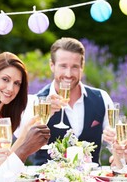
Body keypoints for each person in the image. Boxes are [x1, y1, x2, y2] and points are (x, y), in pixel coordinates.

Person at [33, 37, 114, 165]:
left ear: (82, 67)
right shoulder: (37, 101)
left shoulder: (101, 98)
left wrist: (116, 151)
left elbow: (113, 140)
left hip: (91, 181)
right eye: (63, 66)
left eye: (74, 67)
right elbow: (25, 143)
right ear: (52, 65)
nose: (68, 74)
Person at [0, 52, 36, 151]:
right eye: (5, 79)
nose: (11, 88)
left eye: (17, 83)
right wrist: (24, 137)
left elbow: (5, 159)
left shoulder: (3, 117)